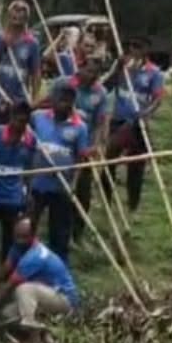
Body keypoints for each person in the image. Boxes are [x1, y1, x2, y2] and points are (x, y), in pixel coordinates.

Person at [0, 217, 78, 329]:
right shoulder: (17, 248)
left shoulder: (34, 256)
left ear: (34, 235)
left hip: (64, 299)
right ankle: (42, 320)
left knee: (23, 289)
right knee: (7, 315)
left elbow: (7, 288)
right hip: (44, 292)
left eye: (24, 237)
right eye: (17, 236)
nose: (19, 240)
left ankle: (32, 331)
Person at [46, 57, 109, 240]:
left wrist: (95, 146)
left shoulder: (100, 93)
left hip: (84, 147)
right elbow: (48, 107)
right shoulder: (63, 84)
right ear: (79, 68)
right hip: (60, 143)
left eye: (96, 74)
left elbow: (99, 123)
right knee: (57, 188)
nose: (92, 77)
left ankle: (78, 231)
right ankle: (56, 226)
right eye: (89, 72)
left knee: (83, 190)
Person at [102, 37, 165, 212]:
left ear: (146, 50)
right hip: (119, 120)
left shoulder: (154, 73)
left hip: (138, 124)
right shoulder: (123, 67)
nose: (134, 49)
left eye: (138, 46)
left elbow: (158, 98)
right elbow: (105, 86)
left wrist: (147, 113)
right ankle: (106, 199)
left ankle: (133, 205)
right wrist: (117, 68)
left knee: (136, 167)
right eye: (131, 46)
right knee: (109, 159)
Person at [28, 85, 90, 262]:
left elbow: (80, 159)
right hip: (37, 184)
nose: (64, 105)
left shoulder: (80, 128)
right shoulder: (37, 118)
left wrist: (73, 186)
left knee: (59, 232)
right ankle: (25, 263)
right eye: (61, 100)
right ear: (52, 101)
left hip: (62, 188)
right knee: (29, 226)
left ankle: (59, 266)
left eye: (68, 102)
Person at [0, 101, 37, 274]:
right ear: (10, 118)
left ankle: (6, 274)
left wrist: (28, 192)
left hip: (13, 198)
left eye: (24, 122)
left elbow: (29, 168)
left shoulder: (29, 140)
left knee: (9, 240)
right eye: (18, 120)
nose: (20, 125)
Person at [0, 0, 41, 125]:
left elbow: (36, 73)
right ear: (9, 14)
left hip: (20, 99)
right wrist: (1, 47)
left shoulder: (32, 43)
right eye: (15, 9)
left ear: (27, 17)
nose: (18, 14)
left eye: (22, 10)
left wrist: (34, 99)